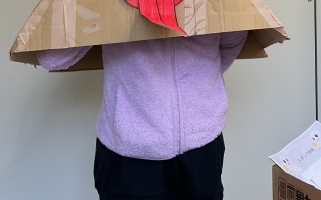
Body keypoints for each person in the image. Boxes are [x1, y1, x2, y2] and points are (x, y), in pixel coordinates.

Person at [36, 31, 247, 199]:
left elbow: (234, 37)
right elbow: (51, 58)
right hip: (128, 153)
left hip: (202, 145)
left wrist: (196, 87)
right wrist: (101, 14)